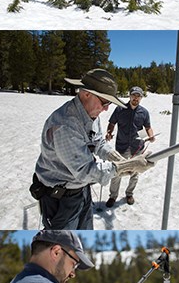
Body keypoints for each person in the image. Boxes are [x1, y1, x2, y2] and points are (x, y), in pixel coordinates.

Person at [30, 70, 153, 229]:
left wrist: (116, 157)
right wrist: (127, 166)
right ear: (87, 94)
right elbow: (85, 171)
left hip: (81, 190)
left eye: (109, 104)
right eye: (104, 102)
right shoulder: (65, 124)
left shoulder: (91, 113)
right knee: (64, 246)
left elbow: (98, 142)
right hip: (59, 199)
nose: (106, 109)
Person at [105, 86, 155, 207]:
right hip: (121, 146)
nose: (136, 98)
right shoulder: (120, 109)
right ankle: (113, 196)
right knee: (117, 171)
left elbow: (148, 127)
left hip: (136, 147)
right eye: (134, 95)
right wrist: (109, 132)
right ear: (130, 95)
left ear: (141, 98)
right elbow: (112, 123)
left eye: (138, 96)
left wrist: (151, 136)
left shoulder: (144, 112)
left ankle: (129, 193)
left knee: (135, 172)